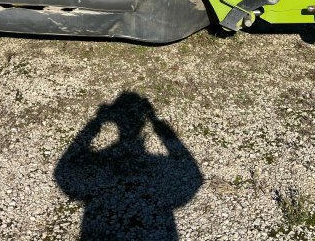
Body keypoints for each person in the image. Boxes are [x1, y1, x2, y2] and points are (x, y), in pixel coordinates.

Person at [54, 92, 203, 240]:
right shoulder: (158, 167)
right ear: (143, 123)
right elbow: (194, 177)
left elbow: (63, 172)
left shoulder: (102, 164)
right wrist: (156, 122)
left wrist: (97, 122)